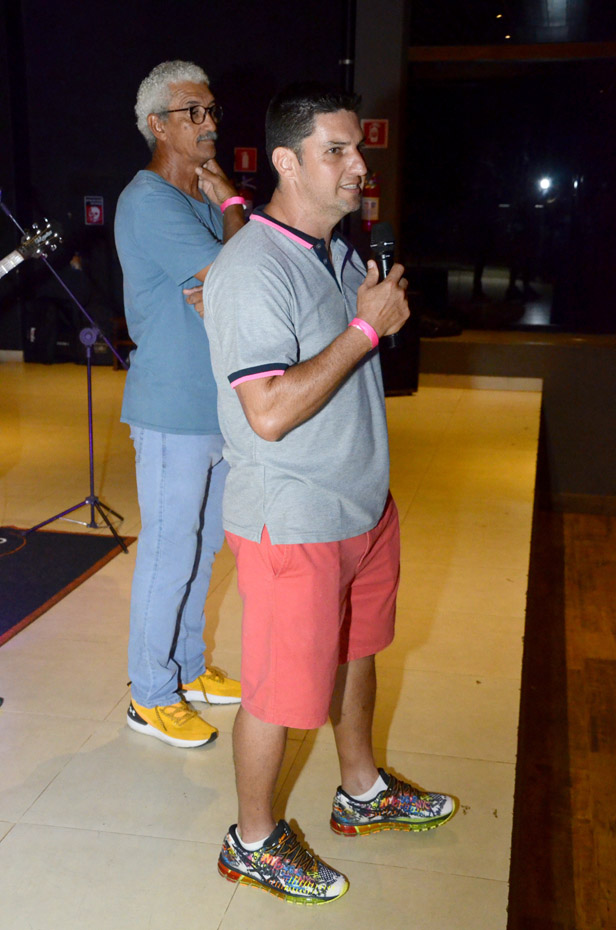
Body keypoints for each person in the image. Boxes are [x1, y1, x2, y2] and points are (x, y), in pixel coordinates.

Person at [203, 83, 456, 906]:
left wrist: (370, 318)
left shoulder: (341, 253)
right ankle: (252, 841)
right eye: (336, 151)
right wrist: (365, 328)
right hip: (295, 518)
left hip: (362, 507)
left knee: (357, 651)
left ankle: (361, 790)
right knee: (279, 693)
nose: (358, 167)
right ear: (287, 161)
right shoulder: (252, 269)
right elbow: (270, 411)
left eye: (359, 149)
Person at [114, 61, 245, 749]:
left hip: (218, 403)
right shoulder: (149, 201)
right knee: (170, 551)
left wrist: (225, 208)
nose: (209, 122)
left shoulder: (201, 197)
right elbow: (240, 273)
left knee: (204, 546)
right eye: (193, 111)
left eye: (211, 109)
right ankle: (150, 693)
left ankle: (188, 668)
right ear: (157, 125)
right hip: (171, 407)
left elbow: (249, 276)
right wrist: (232, 205)